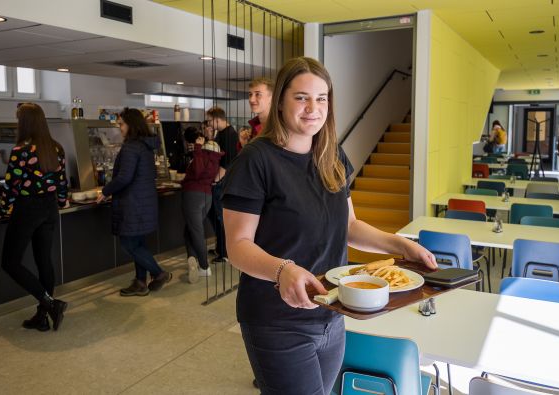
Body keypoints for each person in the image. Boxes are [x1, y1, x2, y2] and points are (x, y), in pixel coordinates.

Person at [221, 57, 438, 394]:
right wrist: (283, 270)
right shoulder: (256, 160)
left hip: (332, 309)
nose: (313, 107)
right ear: (280, 101)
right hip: (276, 319)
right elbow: (237, 245)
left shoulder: (332, 155)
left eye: (321, 98)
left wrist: (401, 245)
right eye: (301, 97)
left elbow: (349, 226)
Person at [0, 103, 69, 332]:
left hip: (28, 210)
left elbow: (12, 187)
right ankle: (43, 316)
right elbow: (61, 182)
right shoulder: (56, 148)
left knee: (10, 262)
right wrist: (62, 202)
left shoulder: (21, 151)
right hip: (50, 209)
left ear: (24, 123)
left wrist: (2, 211)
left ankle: (50, 304)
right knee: (44, 260)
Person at [97, 108, 172, 296]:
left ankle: (159, 273)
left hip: (132, 204)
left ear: (131, 125)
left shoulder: (131, 147)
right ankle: (140, 282)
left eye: (121, 124)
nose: (119, 127)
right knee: (139, 243)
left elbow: (124, 177)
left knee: (129, 244)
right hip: (143, 202)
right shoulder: (145, 145)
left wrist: (105, 191)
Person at [181, 127, 224, 283]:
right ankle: (192, 259)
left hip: (193, 195)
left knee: (196, 232)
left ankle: (204, 267)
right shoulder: (214, 159)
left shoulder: (201, 155)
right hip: (207, 197)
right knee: (189, 231)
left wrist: (197, 150)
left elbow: (198, 172)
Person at [205, 106, 239, 264]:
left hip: (222, 182)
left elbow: (227, 162)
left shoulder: (230, 135)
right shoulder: (221, 134)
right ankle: (220, 247)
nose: (209, 123)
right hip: (219, 181)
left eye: (210, 120)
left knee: (221, 217)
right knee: (214, 216)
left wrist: (216, 180)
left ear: (217, 118)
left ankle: (225, 253)